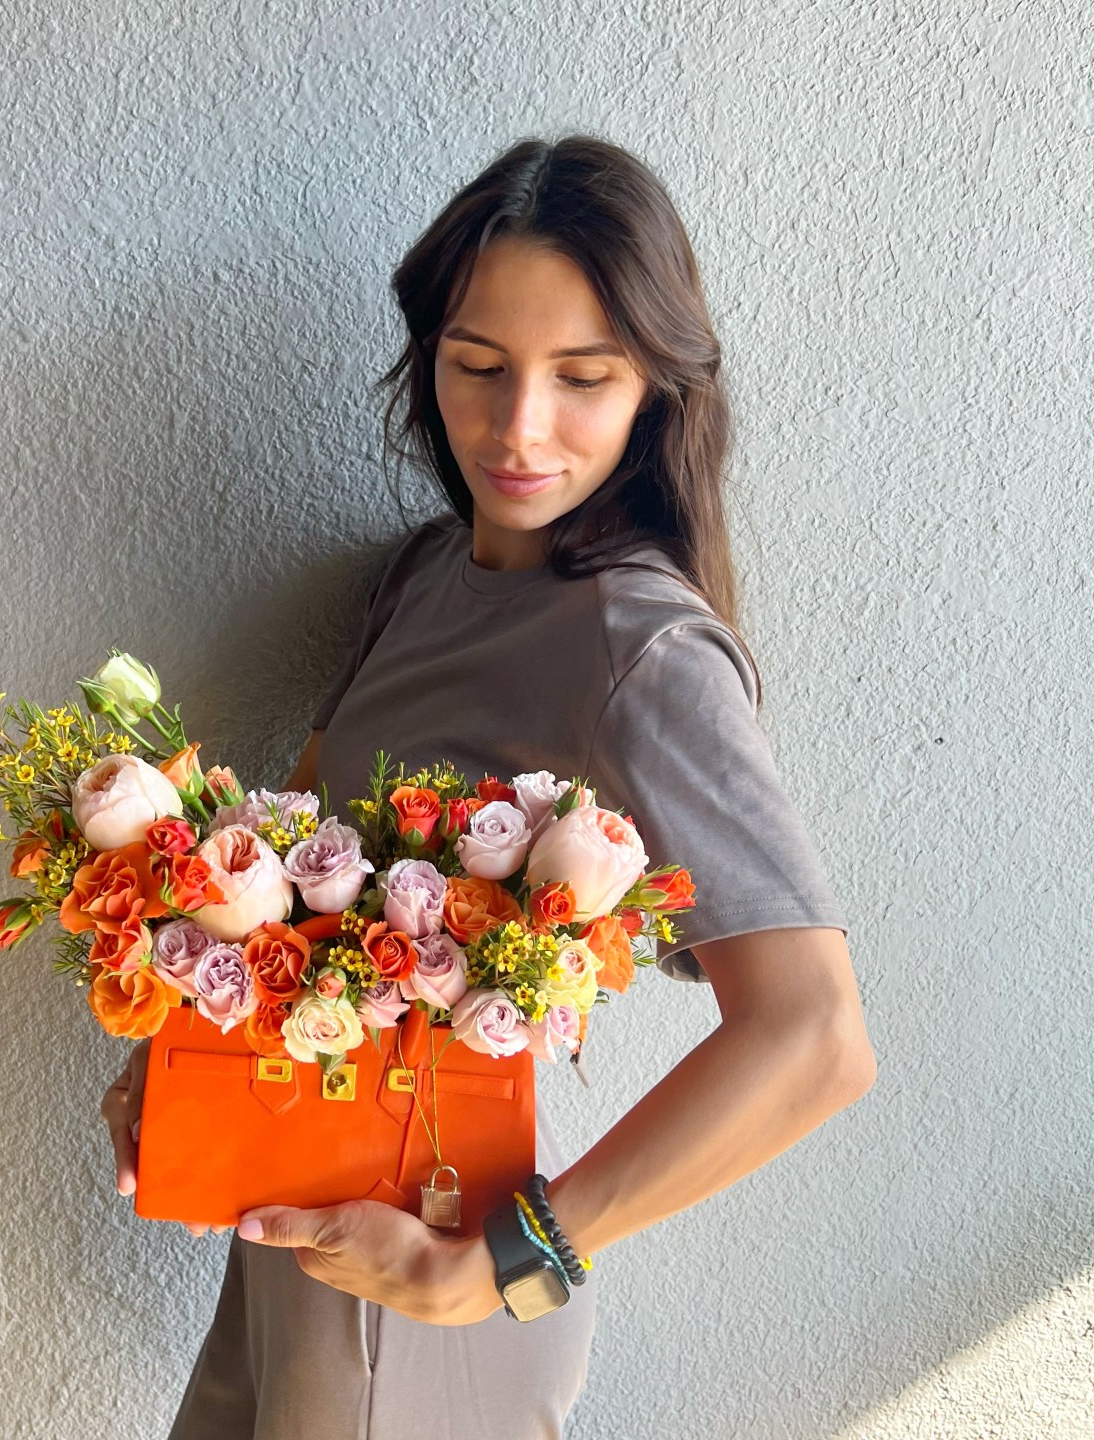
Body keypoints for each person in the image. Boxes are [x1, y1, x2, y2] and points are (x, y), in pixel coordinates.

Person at [100, 133, 877, 1439]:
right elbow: (290, 892)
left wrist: (515, 1260)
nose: (520, 429)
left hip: (423, 1296)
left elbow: (815, 1038)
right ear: (426, 361)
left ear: (656, 391)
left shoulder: (644, 648)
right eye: (477, 368)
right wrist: (180, 1061)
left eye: (584, 378)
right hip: (296, 1250)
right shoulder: (420, 576)